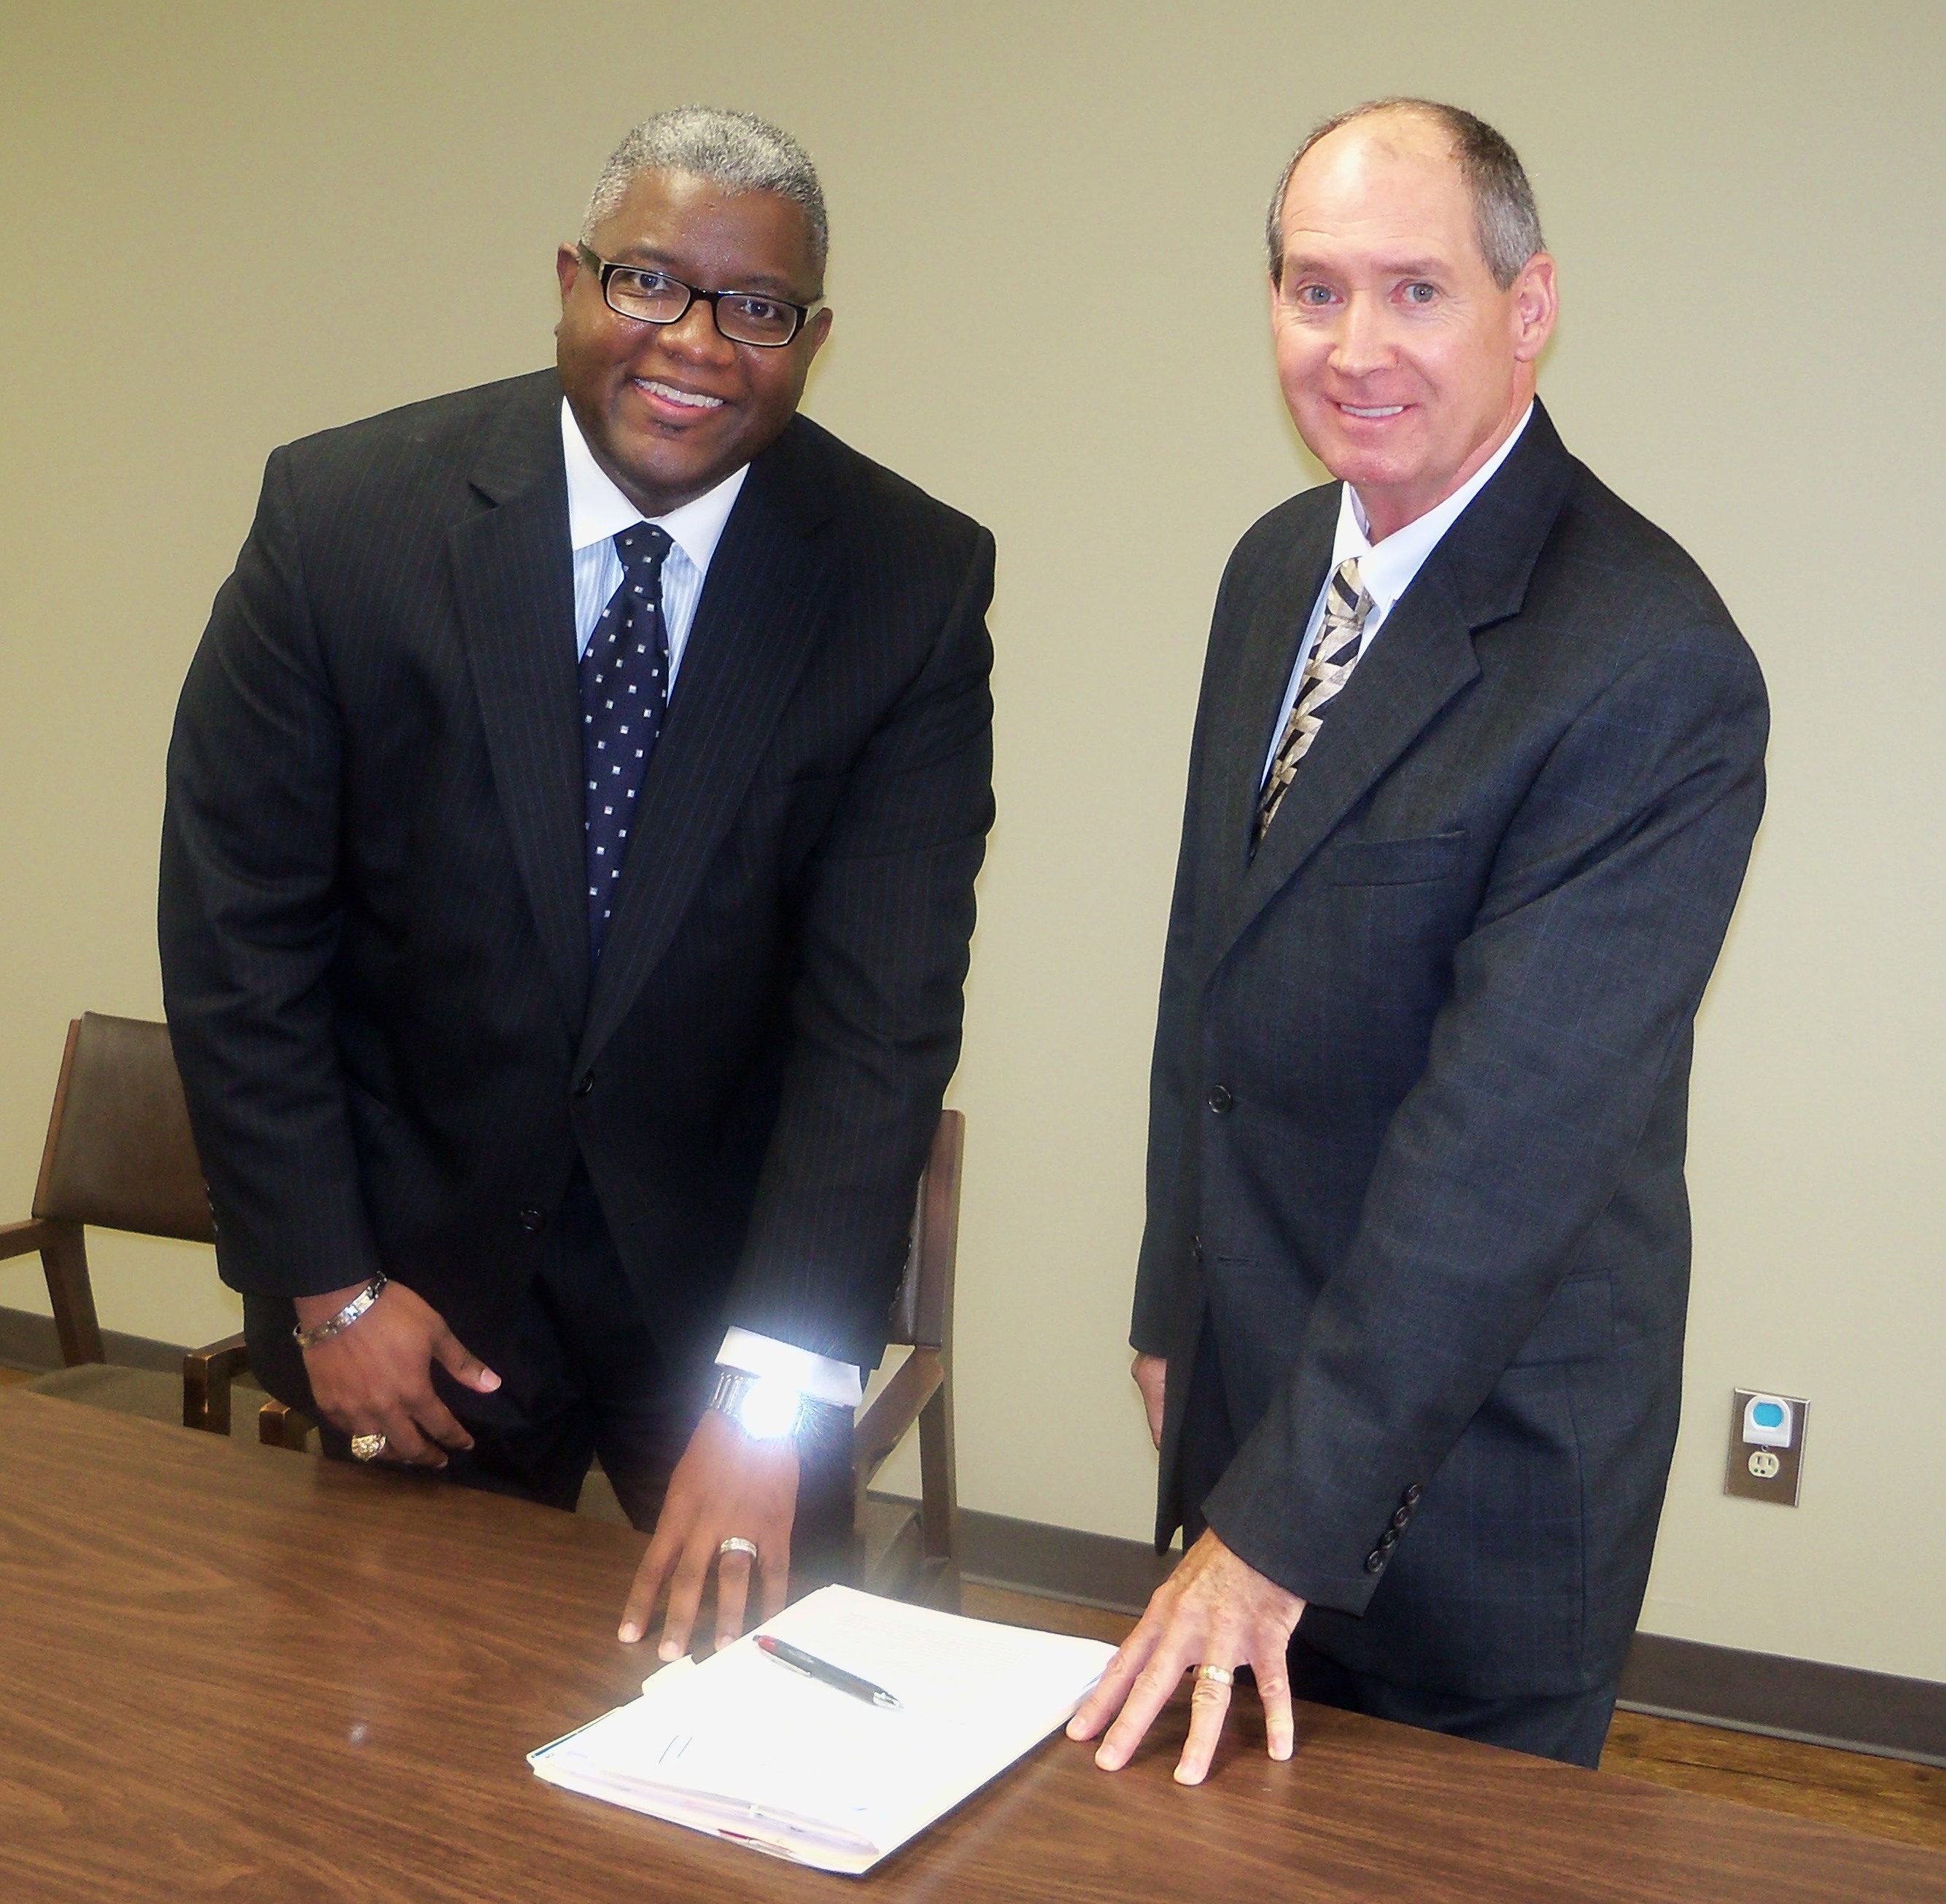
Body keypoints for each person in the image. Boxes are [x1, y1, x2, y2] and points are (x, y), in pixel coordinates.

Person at [160, 107, 994, 1661]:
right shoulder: (342, 523)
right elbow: (237, 938)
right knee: (382, 1744)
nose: (692, 341)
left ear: (810, 337)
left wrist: (770, 1396)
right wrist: (329, 1291)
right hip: (410, 1293)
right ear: (569, 279)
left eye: (753, 307)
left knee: (746, 1773)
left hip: (729, 1310)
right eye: (647, 280)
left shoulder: (906, 585)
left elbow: (876, 1033)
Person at [1069, 99, 1766, 1780]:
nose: (1352, 346)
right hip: (1251, 1412)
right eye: (1313, 291)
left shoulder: (1646, 660)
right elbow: (1203, 969)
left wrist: (1274, 1526)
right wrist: (1175, 1298)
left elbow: (1497, 1161)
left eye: (1413, 291)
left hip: (1476, 1493)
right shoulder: (1268, 573)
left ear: (1527, 309)